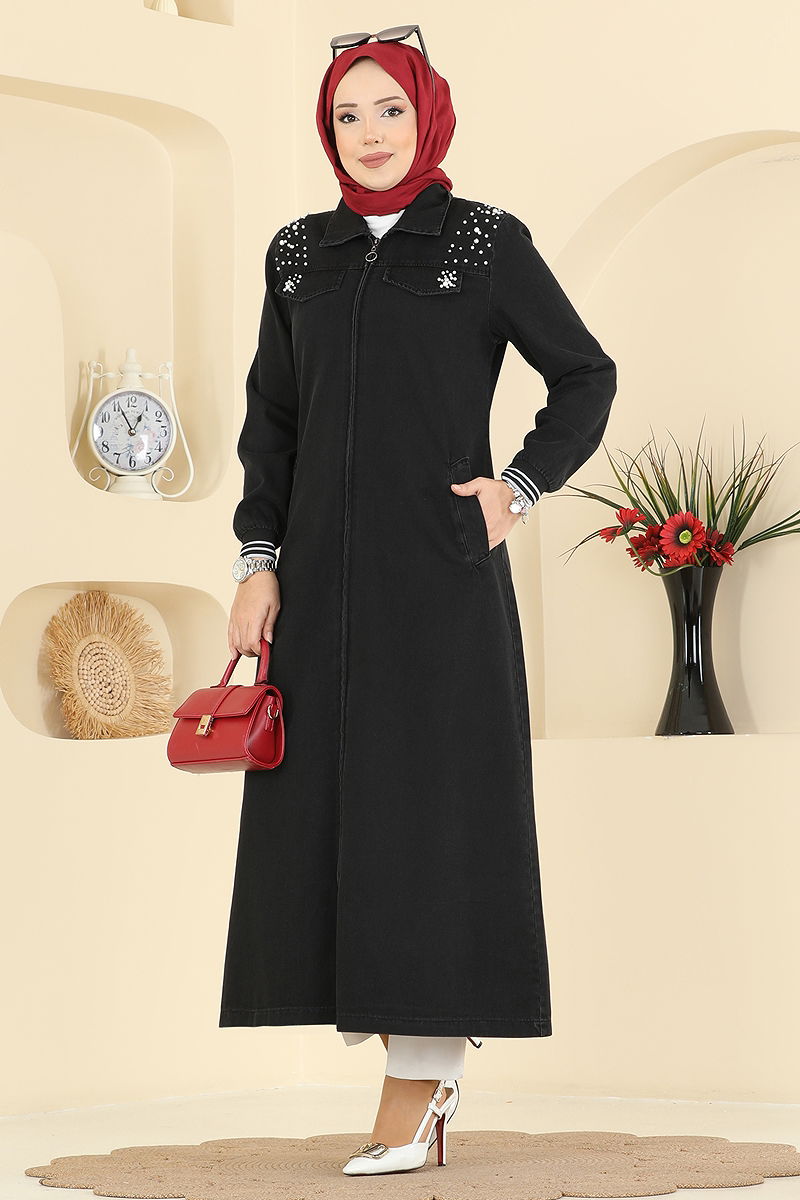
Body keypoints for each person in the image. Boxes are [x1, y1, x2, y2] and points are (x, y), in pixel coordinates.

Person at [222, 29, 617, 1177]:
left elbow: (583, 375)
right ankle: (409, 1060)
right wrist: (257, 560)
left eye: (388, 108)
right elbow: (273, 420)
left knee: (432, 816)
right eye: (345, 115)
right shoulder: (300, 254)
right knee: (337, 819)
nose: (368, 133)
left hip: (437, 579)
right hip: (316, 590)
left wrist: (517, 488)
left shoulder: (483, 243)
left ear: (427, 113)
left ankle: (424, 1075)